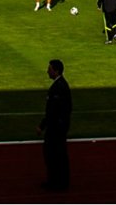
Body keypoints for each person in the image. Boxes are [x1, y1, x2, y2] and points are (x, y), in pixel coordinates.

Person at [38, 59, 72, 192]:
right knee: (55, 154)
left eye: (50, 69)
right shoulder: (60, 85)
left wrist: (44, 125)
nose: (47, 71)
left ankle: (58, 182)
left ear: (56, 71)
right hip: (57, 126)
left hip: (56, 128)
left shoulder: (59, 87)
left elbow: (55, 110)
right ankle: (57, 181)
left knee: (55, 155)